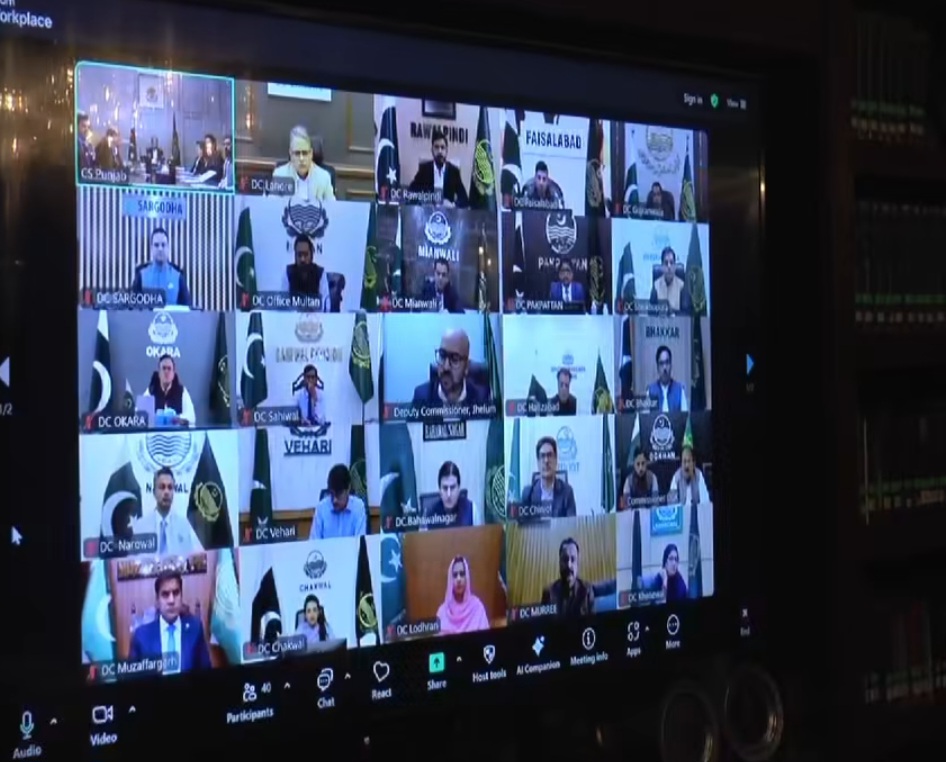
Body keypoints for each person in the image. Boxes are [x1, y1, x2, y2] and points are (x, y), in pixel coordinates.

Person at [128, 570, 212, 673]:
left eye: (176, 593)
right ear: (157, 600)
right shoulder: (141, 636)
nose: (171, 600)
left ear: (181, 597)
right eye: (165, 594)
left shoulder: (195, 629)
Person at [132, 467, 203, 555]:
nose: (166, 492)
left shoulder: (183, 526)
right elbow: (132, 560)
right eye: (162, 487)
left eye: (170, 487)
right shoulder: (141, 526)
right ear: (154, 492)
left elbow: (189, 558)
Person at [411, 328, 489, 406]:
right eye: (442, 355)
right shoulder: (421, 396)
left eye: (455, 359)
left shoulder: (482, 397)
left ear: (466, 367)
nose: (446, 367)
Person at [131, 228, 192, 307]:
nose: (160, 249)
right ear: (151, 248)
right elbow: (132, 307)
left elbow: (187, 308)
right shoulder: (141, 276)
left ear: (168, 247)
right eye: (156, 245)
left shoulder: (178, 277)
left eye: (163, 245)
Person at [408, 129, 468, 208]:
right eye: (436, 147)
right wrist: (423, 201)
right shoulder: (424, 170)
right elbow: (410, 193)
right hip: (428, 213)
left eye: (442, 147)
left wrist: (453, 205)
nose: (440, 151)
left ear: (446, 151)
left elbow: (464, 199)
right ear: (432, 150)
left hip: (447, 213)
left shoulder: (453, 171)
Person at [273, 125, 335, 201]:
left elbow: (332, 206)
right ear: (291, 154)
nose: (301, 159)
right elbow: (273, 205)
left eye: (305, 153)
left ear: (311, 154)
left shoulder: (324, 177)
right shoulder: (280, 175)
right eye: (297, 153)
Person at [520, 436, 577, 517]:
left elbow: (571, 523)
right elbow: (523, 523)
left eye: (550, 455)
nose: (546, 461)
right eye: (542, 456)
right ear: (538, 462)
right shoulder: (528, 493)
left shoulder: (567, 492)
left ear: (556, 460)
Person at [309, 464, 367, 539]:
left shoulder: (358, 507)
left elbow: (360, 541)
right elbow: (314, 542)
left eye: (338, 494)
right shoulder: (321, 508)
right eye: (332, 494)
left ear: (348, 488)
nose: (334, 500)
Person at [541, 537, 595, 617]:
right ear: (559, 562)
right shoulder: (548, 592)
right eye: (565, 559)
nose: (569, 565)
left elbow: (593, 621)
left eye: (573, 559)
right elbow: (544, 623)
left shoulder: (586, 590)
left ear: (577, 563)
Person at [436, 556, 489, 635]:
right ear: (450, 580)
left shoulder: (477, 607)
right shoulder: (442, 612)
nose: (459, 579)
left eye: (462, 574)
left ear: (467, 577)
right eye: (455, 575)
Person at [145, 354, 196, 427]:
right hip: (156, 433)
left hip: (177, 433)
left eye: (169, 368)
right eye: (163, 368)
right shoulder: (150, 391)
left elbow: (191, 417)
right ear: (159, 372)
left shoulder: (182, 391)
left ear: (173, 373)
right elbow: (141, 418)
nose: (166, 372)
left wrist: (177, 419)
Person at [283, 234, 329, 310]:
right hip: (293, 315)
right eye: (299, 255)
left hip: (315, 316)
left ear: (311, 255)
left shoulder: (320, 273)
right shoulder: (288, 272)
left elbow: (326, 305)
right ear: (295, 255)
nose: (302, 259)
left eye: (305, 254)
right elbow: (283, 303)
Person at [424, 461, 474, 527]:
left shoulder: (472, 510)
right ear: (439, 490)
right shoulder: (429, 515)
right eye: (445, 488)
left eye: (452, 488)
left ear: (459, 488)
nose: (449, 494)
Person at [649, 246, 691, 314]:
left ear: (675, 266)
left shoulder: (682, 287)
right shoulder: (656, 286)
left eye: (671, 263)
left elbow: (685, 314)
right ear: (662, 267)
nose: (669, 266)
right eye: (666, 263)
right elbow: (651, 313)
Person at [646, 345, 688, 413]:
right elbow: (645, 417)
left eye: (667, 362)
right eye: (661, 363)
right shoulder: (650, 391)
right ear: (657, 367)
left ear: (671, 365)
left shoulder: (680, 390)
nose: (665, 367)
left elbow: (685, 416)